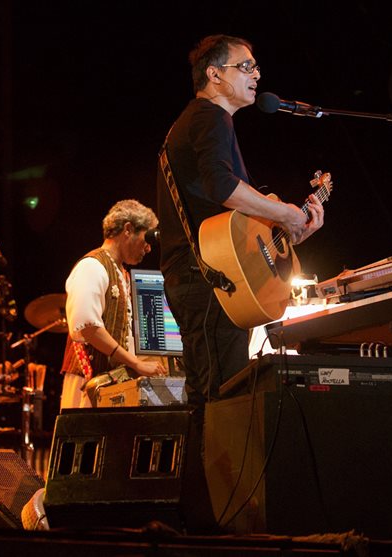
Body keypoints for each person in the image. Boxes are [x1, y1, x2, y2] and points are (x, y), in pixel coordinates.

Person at [156, 34, 325, 409]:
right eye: (245, 66)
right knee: (222, 402)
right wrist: (284, 213)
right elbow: (223, 187)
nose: (256, 75)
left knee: (212, 398)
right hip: (205, 279)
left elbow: (234, 228)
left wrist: (292, 230)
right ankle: (213, 470)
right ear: (214, 75)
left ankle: (209, 467)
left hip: (204, 277)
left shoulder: (199, 121)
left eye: (256, 67)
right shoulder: (210, 116)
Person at [59, 200, 166, 409]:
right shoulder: (92, 267)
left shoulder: (122, 274)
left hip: (112, 385)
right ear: (128, 229)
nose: (149, 247)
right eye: (146, 238)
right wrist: (136, 363)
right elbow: (88, 327)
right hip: (89, 384)